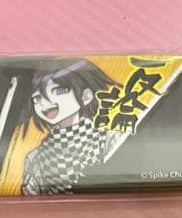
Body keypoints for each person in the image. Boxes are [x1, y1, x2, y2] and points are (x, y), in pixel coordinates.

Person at [19, 60, 119, 195]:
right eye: (37, 98)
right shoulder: (35, 158)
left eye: (58, 91)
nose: (45, 103)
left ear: (86, 96)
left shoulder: (110, 141)